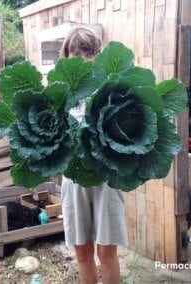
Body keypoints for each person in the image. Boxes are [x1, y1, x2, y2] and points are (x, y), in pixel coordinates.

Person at [60, 27, 128, 284]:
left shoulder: (109, 87)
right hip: (74, 178)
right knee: (82, 251)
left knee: (107, 251)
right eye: (75, 53)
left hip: (105, 177)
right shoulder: (59, 92)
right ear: (66, 57)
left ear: (97, 55)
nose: (82, 59)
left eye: (87, 52)